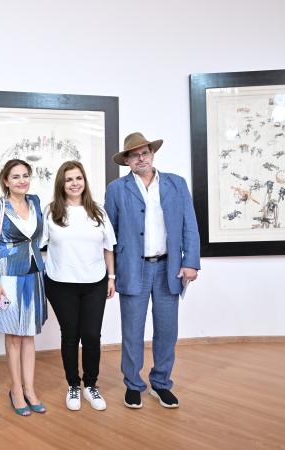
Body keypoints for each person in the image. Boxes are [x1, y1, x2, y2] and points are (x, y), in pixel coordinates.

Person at [104, 132, 200, 409]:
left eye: (144, 153)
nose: (141, 158)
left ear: (152, 154)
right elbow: (109, 234)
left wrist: (190, 261)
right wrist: (111, 274)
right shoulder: (116, 189)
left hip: (169, 267)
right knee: (132, 330)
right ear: (127, 161)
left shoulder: (176, 184)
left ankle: (161, 383)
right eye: (134, 155)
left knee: (167, 330)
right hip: (132, 268)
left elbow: (190, 225)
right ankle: (133, 385)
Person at [41, 160, 116, 412]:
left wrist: (111, 277)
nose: (74, 183)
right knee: (70, 335)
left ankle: (90, 385)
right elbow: (37, 245)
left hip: (95, 283)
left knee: (92, 335)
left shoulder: (98, 211)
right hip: (60, 284)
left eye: (78, 178)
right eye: (69, 179)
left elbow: (108, 247)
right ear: (61, 184)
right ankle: (73, 384)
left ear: (84, 181)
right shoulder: (51, 211)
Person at [0, 159, 47, 416]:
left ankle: (29, 389)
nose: (22, 180)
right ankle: (16, 390)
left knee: (29, 334)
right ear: (6, 181)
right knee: (14, 336)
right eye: (16, 176)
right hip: (8, 276)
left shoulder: (36, 202)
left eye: (25, 175)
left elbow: (38, 239)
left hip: (34, 274)